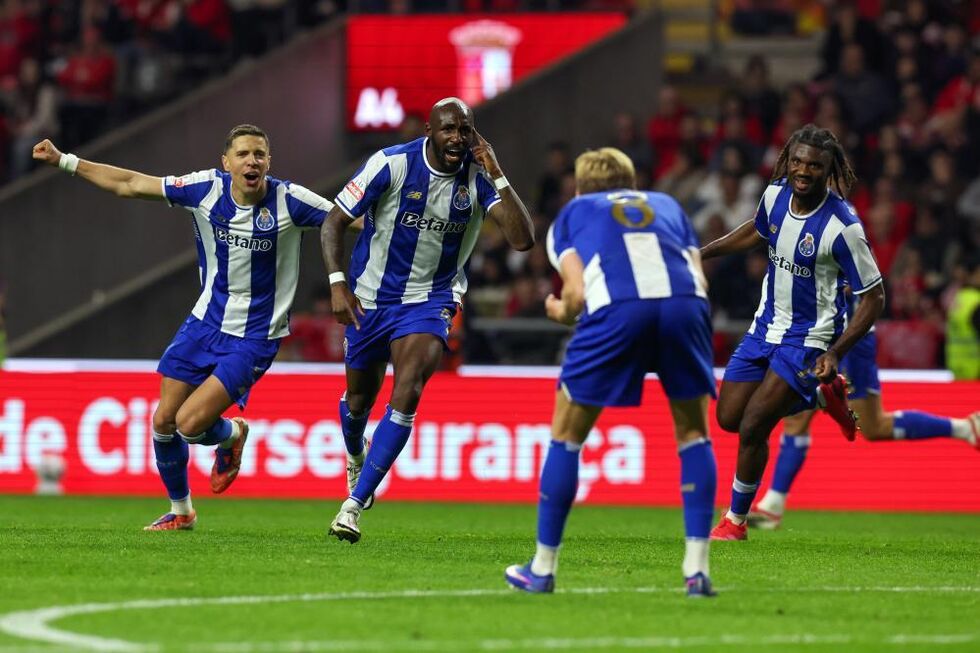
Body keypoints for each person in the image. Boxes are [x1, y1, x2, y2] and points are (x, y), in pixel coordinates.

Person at [32, 125, 333, 530]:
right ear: (226, 162)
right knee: (163, 421)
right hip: (204, 323)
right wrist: (65, 161)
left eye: (259, 154)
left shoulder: (291, 200)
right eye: (243, 154)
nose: (252, 161)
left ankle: (232, 435)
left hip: (255, 337)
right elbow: (130, 184)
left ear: (268, 162)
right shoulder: (205, 189)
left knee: (190, 425)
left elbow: (347, 218)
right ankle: (182, 512)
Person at [504, 147, 719, 597]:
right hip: (686, 308)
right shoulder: (668, 205)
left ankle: (542, 569)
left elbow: (577, 295)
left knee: (567, 434)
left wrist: (559, 311)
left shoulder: (572, 213)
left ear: (580, 188)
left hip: (618, 311)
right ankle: (697, 569)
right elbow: (699, 275)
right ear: (632, 183)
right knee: (694, 434)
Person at [321, 97, 534, 543]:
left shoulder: (478, 178)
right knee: (358, 402)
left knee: (409, 388)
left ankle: (353, 505)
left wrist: (497, 171)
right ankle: (356, 453)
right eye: (448, 129)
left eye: (465, 130)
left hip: (431, 300)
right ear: (429, 132)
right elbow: (334, 221)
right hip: (371, 298)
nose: (457, 138)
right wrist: (338, 284)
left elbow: (522, 240)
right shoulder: (390, 165)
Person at [700, 124, 886, 541]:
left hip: (809, 338)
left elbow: (874, 297)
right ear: (787, 160)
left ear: (828, 170)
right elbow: (756, 230)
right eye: (797, 162)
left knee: (754, 426)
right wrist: (704, 253)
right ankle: (820, 395)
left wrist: (836, 352)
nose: (803, 171)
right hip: (764, 327)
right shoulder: (775, 194)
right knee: (729, 418)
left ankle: (735, 521)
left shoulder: (843, 227)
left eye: (814, 166)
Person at [748, 291, 980, 529]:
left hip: (851, 340)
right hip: (817, 336)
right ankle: (772, 506)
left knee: (873, 426)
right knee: (796, 417)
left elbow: (857, 286)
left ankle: (964, 428)